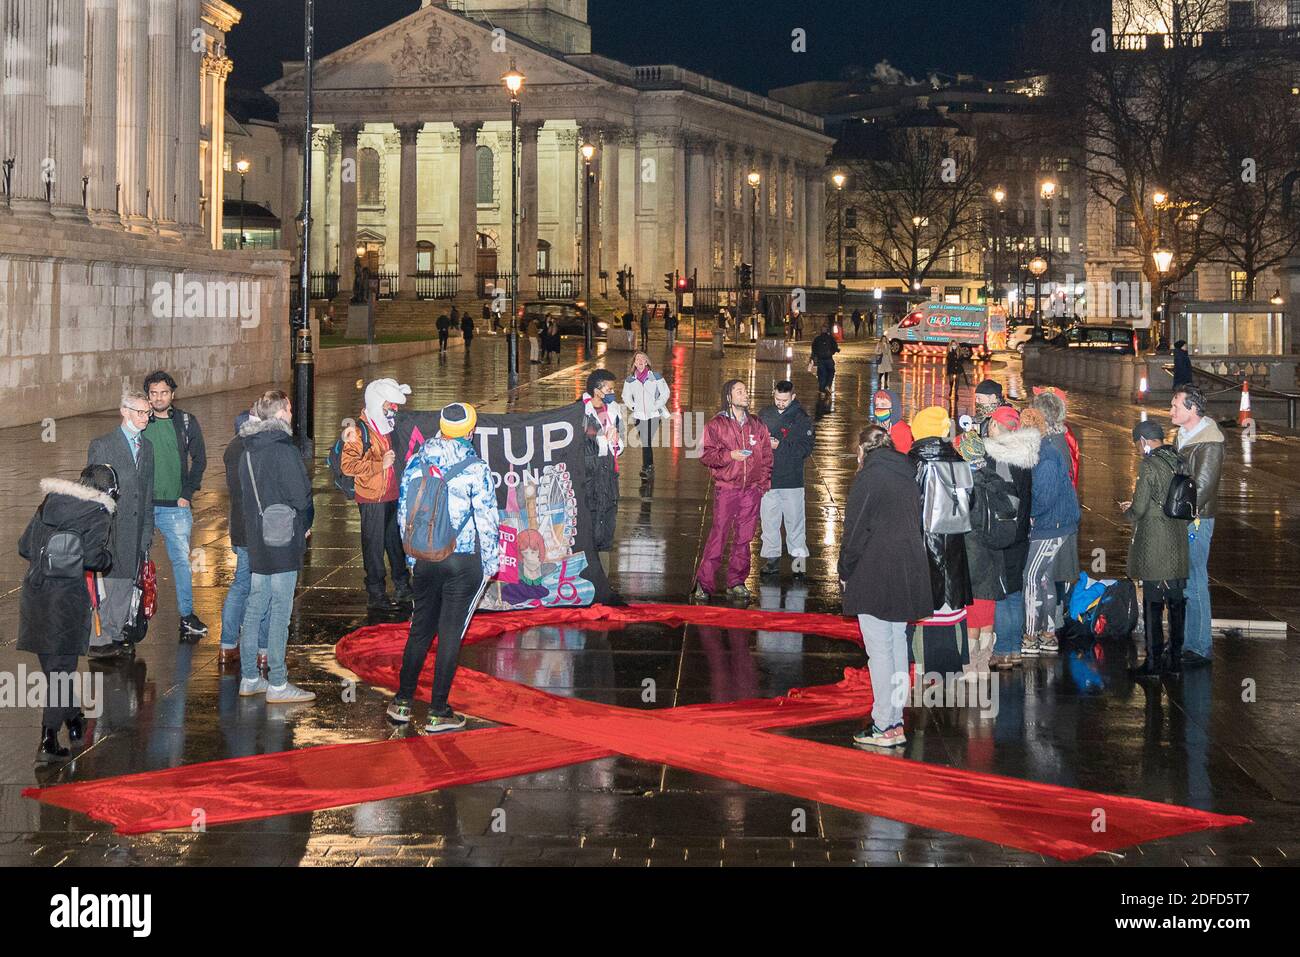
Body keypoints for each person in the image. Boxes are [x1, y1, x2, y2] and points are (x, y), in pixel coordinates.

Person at [386, 402, 500, 733]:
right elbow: (488, 521)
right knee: (451, 634)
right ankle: (438, 711)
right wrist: (489, 565)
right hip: (462, 561)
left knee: (420, 629)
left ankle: (402, 702)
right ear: (470, 431)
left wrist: (412, 561)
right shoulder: (476, 469)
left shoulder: (415, 461)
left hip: (424, 558)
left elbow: (404, 514)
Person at [840, 426, 933, 749]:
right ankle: (895, 721)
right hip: (908, 567)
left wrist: (845, 569)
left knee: (879, 652)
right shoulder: (910, 471)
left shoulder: (869, 478)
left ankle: (883, 723)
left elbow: (855, 531)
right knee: (897, 647)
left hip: (875, 569)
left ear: (863, 452)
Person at [19, 464, 117, 762]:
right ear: (108, 492)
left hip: (35, 598)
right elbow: (92, 558)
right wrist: (107, 560)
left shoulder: (49, 502)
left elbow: (24, 547)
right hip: (66, 603)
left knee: (55, 671)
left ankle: (74, 720)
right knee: (61, 673)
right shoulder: (97, 513)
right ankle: (48, 739)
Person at [236, 391, 315, 704]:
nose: (292, 415)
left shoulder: (246, 450)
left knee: (256, 604)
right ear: (283, 412)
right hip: (283, 538)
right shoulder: (284, 449)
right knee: (281, 608)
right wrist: (307, 521)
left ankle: (249, 677)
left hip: (257, 538)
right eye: (290, 410)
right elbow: (301, 495)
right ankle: (278, 682)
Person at [85, 392, 154, 661]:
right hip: (110, 527)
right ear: (124, 412)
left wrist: (148, 529)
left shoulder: (146, 447)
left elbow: (147, 491)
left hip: (136, 528)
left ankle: (116, 633)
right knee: (109, 583)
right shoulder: (103, 445)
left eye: (147, 413)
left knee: (126, 582)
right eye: (140, 412)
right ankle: (98, 639)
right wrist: (98, 531)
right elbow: (93, 491)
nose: (146, 418)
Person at [692, 379, 774, 602]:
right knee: (719, 535)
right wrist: (730, 456)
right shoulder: (716, 425)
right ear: (729, 397)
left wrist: (762, 484)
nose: (745, 394)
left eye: (746, 391)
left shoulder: (757, 425)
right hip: (727, 489)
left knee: (744, 538)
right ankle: (705, 583)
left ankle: (736, 581)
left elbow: (766, 455)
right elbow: (705, 454)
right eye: (740, 391)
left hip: (751, 491)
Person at [908, 407, 975, 676]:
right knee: (949, 605)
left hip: (922, 545)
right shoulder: (959, 460)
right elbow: (971, 500)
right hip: (955, 547)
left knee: (925, 605)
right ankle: (951, 665)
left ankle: (921, 666)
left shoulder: (913, 462)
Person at [142, 370, 208, 640]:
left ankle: (187, 615)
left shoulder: (185, 422)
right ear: (147, 396)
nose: (158, 398)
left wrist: (187, 492)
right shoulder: (140, 420)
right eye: (154, 393)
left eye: (164, 393)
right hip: (144, 506)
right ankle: (131, 617)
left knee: (181, 561)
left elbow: (200, 459)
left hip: (175, 507)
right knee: (136, 562)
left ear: (172, 395)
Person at [1122, 420, 1190, 679]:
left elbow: (1139, 508)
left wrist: (1128, 511)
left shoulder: (1149, 464)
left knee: (1152, 599)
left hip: (1155, 543)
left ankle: (1152, 663)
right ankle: (1175, 661)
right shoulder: (1179, 459)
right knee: (1175, 600)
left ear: (1142, 441)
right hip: (1178, 539)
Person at [342, 379, 414, 611]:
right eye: (389, 405)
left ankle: (402, 585)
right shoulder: (357, 431)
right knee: (373, 546)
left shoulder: (388, 426)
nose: (393, 409)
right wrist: (378, 464)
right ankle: (376, 591)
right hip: (372, 497)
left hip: (392, 495)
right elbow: (348, 465)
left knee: (395, 544)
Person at [1019, 404, 1079, 656]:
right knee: (1044, 577)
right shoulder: (1046, 450)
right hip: (1059, 523)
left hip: (1051, 525)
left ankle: (1031, 635)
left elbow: (1044, 497)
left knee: (1031, 577)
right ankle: (1048, 633)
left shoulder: (1044, 457)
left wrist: (1028, 515)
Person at [982, 407, 1038, 670]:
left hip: (1004, 533)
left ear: (995, 426)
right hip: (1021, 535)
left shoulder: (997, 456)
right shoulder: (1024, 453)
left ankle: (1003, 650)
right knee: (1015, 592)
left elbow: (998, 495)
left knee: (1002, 594)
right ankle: (1015, 648)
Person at [1171, 384, 1223, 666]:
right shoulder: (1184, 435)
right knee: (1186, 580)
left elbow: (1202, 487)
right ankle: (1189, 642)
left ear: (1192, 409)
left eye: (1176, 406)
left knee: (1195, 579)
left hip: (1196, 519)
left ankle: (1199, 646)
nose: (1171, 411)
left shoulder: (1210, 441)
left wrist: (1177, 514)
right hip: (1185, 516)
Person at [219, 407, 271, 674]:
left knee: (240, 584)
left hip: (240, 527)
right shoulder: (255, 449)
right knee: (263, 589)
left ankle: (228, 645)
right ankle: (263, 651)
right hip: (257, 529)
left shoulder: (232, 449)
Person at [757, 381, 814, 578]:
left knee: (795, 521)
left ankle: (798, 563)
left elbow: (805, 449)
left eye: (784, 400)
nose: (780, 403)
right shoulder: (764, 414)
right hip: (769, 478)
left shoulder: (802, 419)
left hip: (792, 480)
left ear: (793, 397)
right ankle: (771, 560)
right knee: (769, 521)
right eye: (777, 399)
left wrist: (779, 446)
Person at [583, 369, 623, 556]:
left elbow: (620, 440)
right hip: (591, 477)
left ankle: (604, 579)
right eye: (609, 388)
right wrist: (603, 441)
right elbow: (582, 446)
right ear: (597, 390)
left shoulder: (613, 409)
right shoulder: (580, 411)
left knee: (608, 524)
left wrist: (616, 442)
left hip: (610, 475)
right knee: (591, 524)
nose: (612, 392)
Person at [621, 351, 671, 479]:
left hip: (654, 414)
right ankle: (649, 466)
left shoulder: (656, 376)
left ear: (647, 361)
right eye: (637, 359)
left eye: (643, 359)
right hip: (638, 416)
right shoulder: (630, 380)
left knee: (646, 440)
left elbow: (665, 393)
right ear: (634, 363)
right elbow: (625, 396)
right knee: (645, 441)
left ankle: (647, 467)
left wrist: (656, 405)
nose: (640, 361)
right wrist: (633, 406)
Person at [811, 321, 840, 394]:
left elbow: (813, 349)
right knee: (831, 373)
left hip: (820, 360)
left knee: (821, 375)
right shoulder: (831, 338)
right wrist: (833, 351)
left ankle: (822, 389)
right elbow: (835, 347)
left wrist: (814, 357)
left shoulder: (817, 339)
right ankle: (827, 386)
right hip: (828, 359)